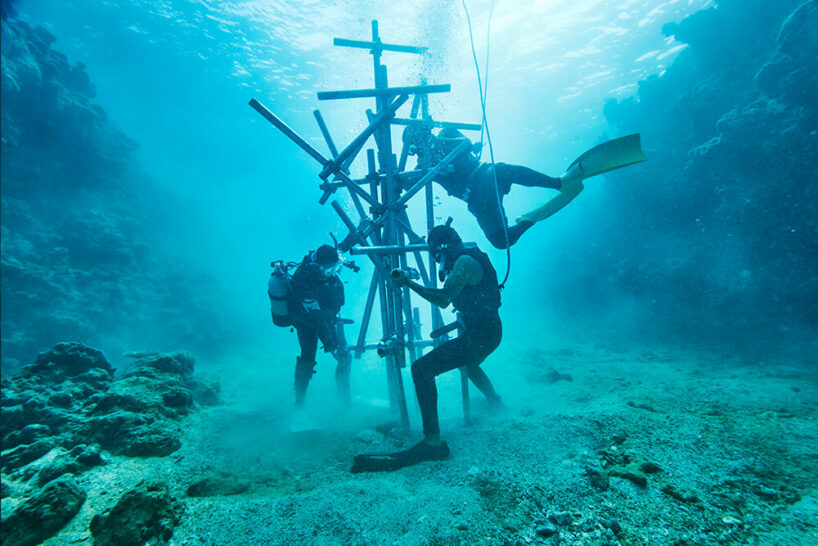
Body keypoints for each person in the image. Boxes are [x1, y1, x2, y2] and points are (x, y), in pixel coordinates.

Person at [351, 221, 502, 472]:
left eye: (435, 255)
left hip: (482, 335)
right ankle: (496, 403)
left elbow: (443, 300)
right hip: (486, 331)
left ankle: (433, 443)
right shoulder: (467, 255)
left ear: (440, 249)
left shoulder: (463, 262)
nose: (437, 262)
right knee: (467, 363)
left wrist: (407, 283)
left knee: (421, 369)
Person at [403, 124, 569, 249]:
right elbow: (409, 187)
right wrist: (394, 178)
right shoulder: (424, 166)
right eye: (413, 150)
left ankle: (557, 182)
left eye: (414, 146)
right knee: (501, 241)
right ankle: (529, 220)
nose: (417, 152)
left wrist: (435, 142)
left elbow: (465, 144)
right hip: (475, 197)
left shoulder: (446, 133)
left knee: (506, 171)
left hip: (485, 173)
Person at [288, 244, 352, 407]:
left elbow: (333, 304)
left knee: (343, 353)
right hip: (306, 321)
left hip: (326, 317)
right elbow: (311, 310)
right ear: (319, 266)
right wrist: (328, 339)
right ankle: (299, 403)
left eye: (336, 267)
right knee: (308, 357)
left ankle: (344, 397)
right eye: (330, 268)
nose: (333, 272)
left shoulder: (327, 274)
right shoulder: (303, 278)